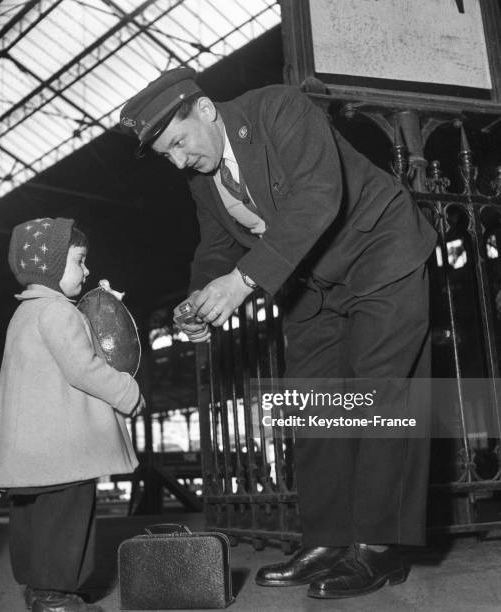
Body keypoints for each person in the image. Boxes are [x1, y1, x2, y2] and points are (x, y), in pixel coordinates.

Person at [120, 68, 437, 599]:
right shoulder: (203, 180)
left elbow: (318, 194)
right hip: (313, 285)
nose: (178, 160)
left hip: (381, 254)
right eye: (165, 155)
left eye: (178, 142)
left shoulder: (280, 109)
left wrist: (243, 282)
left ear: (204, 109)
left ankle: (382, 550)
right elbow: (217, 249)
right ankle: (330, 539)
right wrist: (198, 299)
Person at [0, 217, 143, 612]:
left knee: (34, 518)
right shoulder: (59, 313)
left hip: (33, 448)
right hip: (62, 448)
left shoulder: (26, 313)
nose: (87, 270)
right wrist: (128, 392)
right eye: (80, 260)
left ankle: (40, 587)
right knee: (68, 518)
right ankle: (55, 593)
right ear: (52, 266)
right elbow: (83, 368)